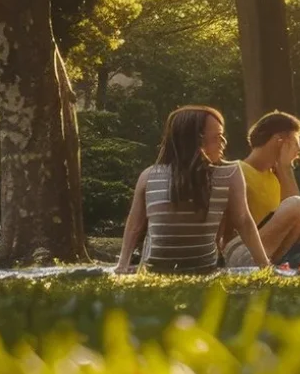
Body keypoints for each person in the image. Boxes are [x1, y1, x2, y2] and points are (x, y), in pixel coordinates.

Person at [116, 106, 271, 274]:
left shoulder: (229, 173)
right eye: (218, 136)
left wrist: (264, 265)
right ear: (196, 140)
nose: (224, 142)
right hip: (173, 269)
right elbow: (135, 225)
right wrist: (122, 265)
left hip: (186, 268)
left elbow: (244, 221)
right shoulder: (150, 176)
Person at [223, 111, 300, 267]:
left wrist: (284, 169)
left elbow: (298, 218)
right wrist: (285, 167)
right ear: (280, 141)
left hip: (264, 256)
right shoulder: (236, 171)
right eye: (294, 145)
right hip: (237, 252)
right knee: (298, 204)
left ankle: (272, 264)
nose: (297, 153)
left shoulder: (275, 179)